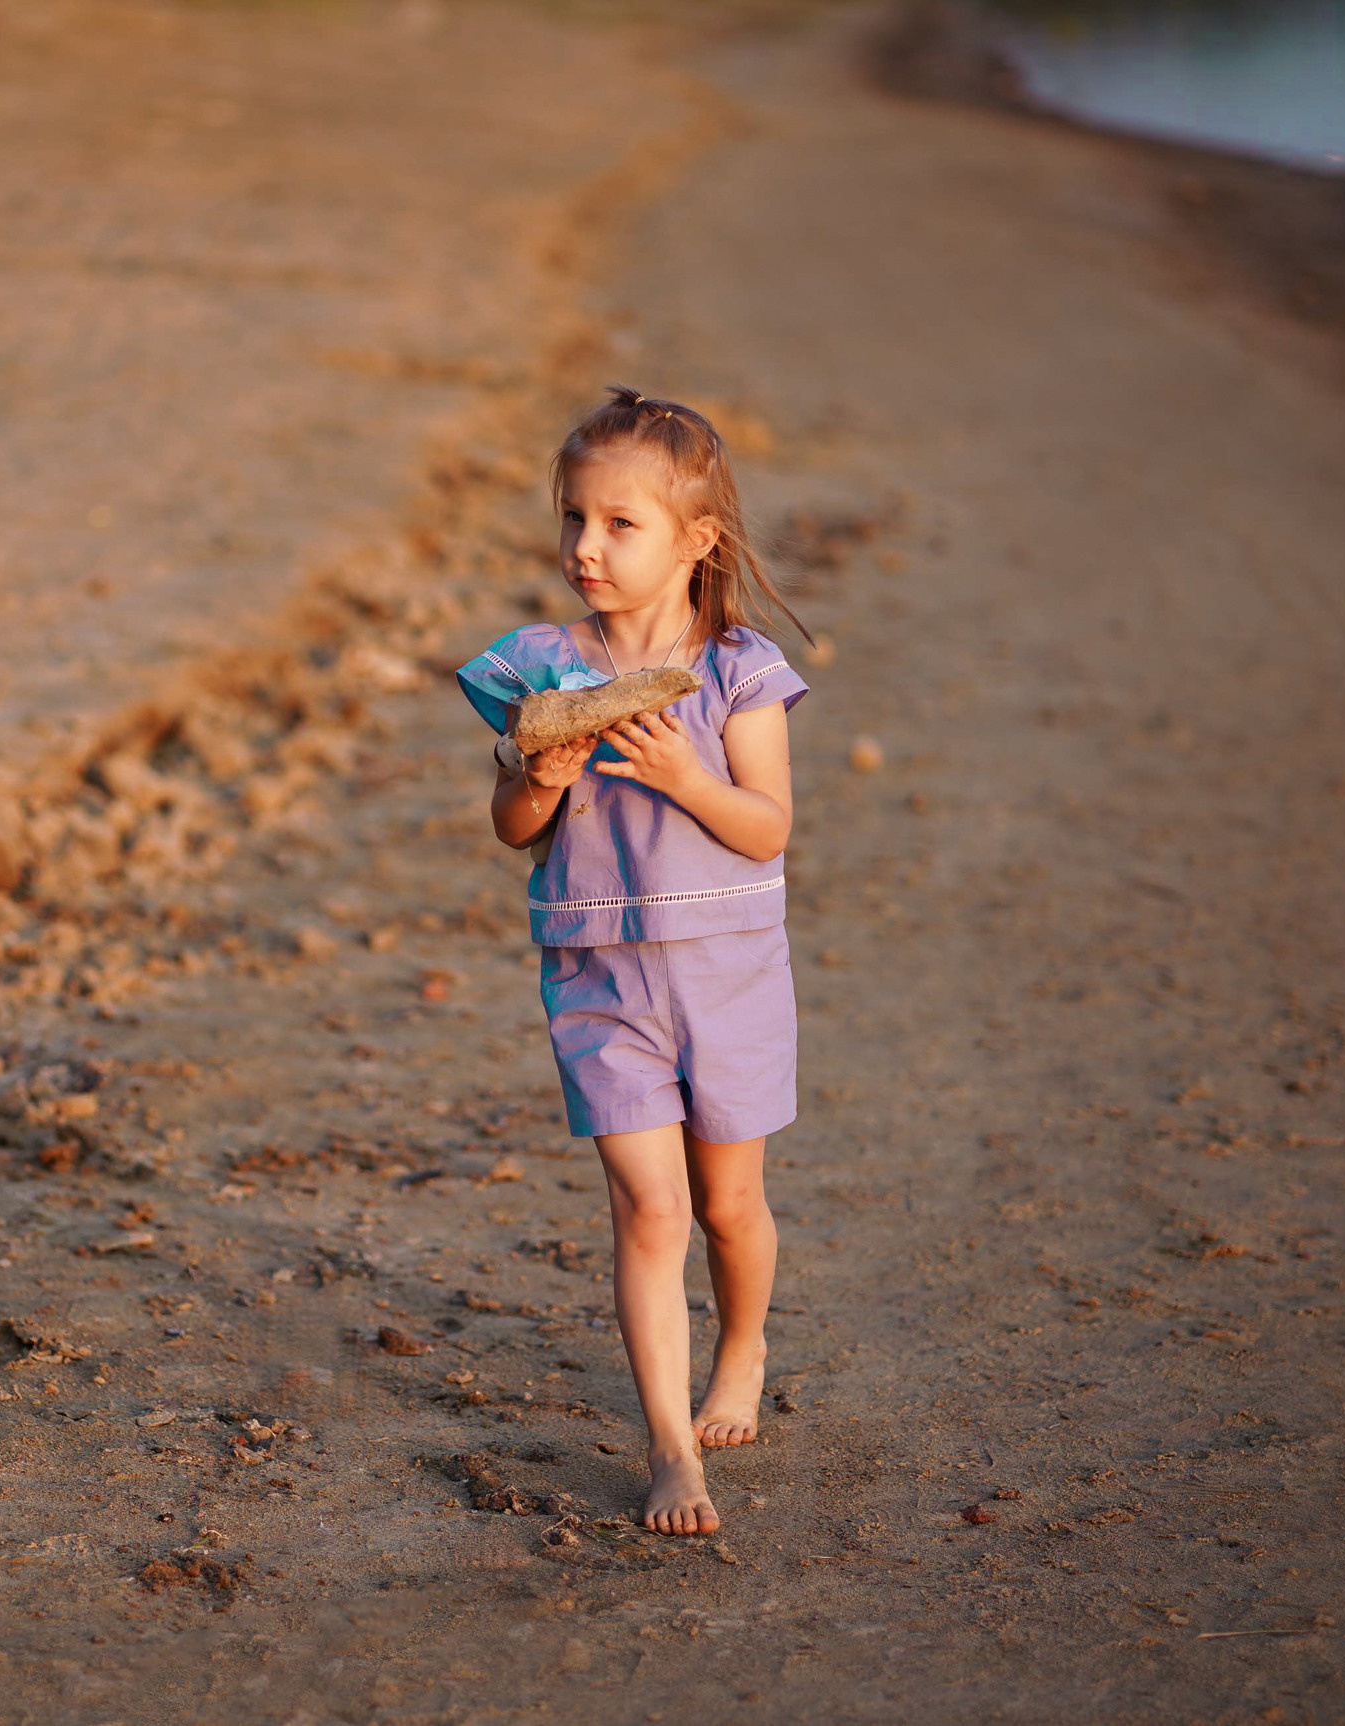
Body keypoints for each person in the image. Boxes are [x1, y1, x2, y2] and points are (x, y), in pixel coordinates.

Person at [456, 388, 809, 1537]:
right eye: (572, 520)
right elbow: (515, 826)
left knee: (727, 1202)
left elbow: (767, 825)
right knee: (650, 1209)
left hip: (729, 969)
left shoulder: (736, 670)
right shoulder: (537, 666)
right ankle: (669, 1452)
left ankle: (744, 1343)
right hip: (599, 971)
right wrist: (540, 775)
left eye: (619, 525)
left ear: (696, 541)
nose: (585, 548)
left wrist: (683, 780)